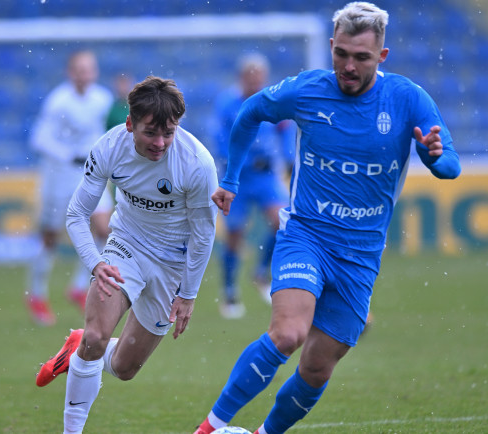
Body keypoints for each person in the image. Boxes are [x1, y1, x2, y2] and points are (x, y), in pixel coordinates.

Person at [194, 3, 461, 433]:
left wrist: (436, 157)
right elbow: (250, 114)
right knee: (287, 334)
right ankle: (207, 429)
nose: (349, 66)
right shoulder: (307, 90)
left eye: (362, 57)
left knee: (317, 368)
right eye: (342, 54)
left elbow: (450, 165)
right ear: (331, 46)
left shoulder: (407, 98)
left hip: (360, 255)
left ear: (382, 56)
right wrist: (231, 178)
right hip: (307, 236)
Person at [35, 76, 218, 434]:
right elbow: (76, 215)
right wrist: (97, 262)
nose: (160, 143)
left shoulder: (197, 162)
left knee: (124, 369)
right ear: (130, 123)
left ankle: (76, 347)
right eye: (150, 132)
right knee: (96, 336)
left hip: (172, 264)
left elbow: (203, 233)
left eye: (169, 132)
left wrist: (188, 294)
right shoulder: (108, 147)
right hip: (126, 246)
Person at [27, 50, 115, 325]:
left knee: (105, 229)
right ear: (71, 72)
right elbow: (39, 139)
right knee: (51, 237)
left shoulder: (103, 99)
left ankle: (78, 286)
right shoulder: (58, 101)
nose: (85, 75)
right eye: (79, 69)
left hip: (90, 174)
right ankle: (36, 294)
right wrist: (68, 155)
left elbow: (108, 130)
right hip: (59, 176)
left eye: (89, 69)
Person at [211, 52, 294, 319]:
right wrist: (244, 162)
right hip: (238, 178)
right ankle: (229, 292)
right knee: (235, 235)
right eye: (251, 77)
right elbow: (221, 139)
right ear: (241, 78)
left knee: (283, 221)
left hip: (267, 177)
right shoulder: (228, 104)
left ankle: (261, 271)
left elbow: (286, 128)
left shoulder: (273, 100)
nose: (255, 82)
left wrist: (290, 157)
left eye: (260, 77)